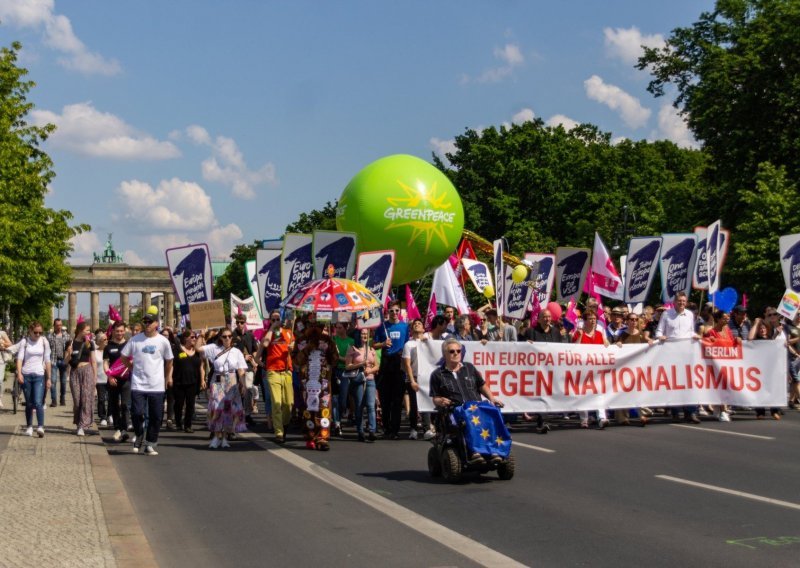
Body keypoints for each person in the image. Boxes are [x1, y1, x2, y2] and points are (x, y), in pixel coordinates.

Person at [429, 337, 506, 465]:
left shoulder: (469, 368)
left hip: (476, 407)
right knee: (468, 418)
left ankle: (494, 451)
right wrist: (440, 400)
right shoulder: (437, 374)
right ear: (445, 354)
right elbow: (435, 398)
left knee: (493, 414)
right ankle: (475, 451)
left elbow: (482, 386)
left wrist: (492, 398)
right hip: (455, 409)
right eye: (452, 351)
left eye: (458, 351)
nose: (456, 354)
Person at [120, 309, 174, 455]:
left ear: (156, 323)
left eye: (150, 322)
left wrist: (167, 378)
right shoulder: (135, 340)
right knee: (137, 413)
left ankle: (150, 443)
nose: (147, 324)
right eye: (145, 322)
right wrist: (132, 368)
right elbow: (124, 357)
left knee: (156, 417)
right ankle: (139, 434)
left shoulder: (163, 341)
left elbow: (169, 361)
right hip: (139, 384)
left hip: (156, 385)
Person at [656, 291, 702, 424]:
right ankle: (675, 412)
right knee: (675, 383)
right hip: (672, 353)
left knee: (689, 382)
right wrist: (660, 336)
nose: (682, 303)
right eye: (679, 301)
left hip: (687, 354)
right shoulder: (666, 314)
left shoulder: (689, 314)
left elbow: (690, 331)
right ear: (674, 302)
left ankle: (691, 412)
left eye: (684, 301)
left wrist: (695, 335)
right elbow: (659, 330)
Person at [200, 327, 248, 448]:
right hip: (217, 380)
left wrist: (245, 385)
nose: (227, 338)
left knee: (228, 410)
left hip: (231, 382)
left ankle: (225, 437)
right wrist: (201, 335)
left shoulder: (237, 352)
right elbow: (198, 349)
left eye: (229, 336)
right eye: (224, 336)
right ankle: (216, 436)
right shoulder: (213, 348)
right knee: (216, 408)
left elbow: (241, 370)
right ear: (220, 337)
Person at [524, 308, 568, 433]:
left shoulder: (556, 332)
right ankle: (542, 421)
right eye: (544, 317)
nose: (547, 319)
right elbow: (521, 346)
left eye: (548, 317)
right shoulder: (531, 332)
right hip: (537, 369)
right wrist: (527, 344)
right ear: (539, 319)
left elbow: (560, 349)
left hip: (552, 369)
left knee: (549, 394)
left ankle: (543, 419)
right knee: (541, 393)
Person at [295, 323, 338, 450]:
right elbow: (296, 361)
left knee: (324, 409)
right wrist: (309, 347)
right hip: (306, 384)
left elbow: (335, 360)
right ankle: (310, 436)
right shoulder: (301, 341)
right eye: (311, 325)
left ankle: (322, 438)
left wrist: (330, 349)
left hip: (323, 384)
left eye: (318, 326)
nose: (314, 329)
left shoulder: (327, 340)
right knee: (308, 411)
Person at [373, 301, 409, 439]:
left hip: (398, 363)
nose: (394, 313)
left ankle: (395, 430)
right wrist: (383, 343)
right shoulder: (382, 327)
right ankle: (386, 428)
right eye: (392, 311)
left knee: (397, 399)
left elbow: (408, 345)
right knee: (385, 398)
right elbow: (374, 345)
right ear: (387, 312)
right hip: (386, 363)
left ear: (400, 312)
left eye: (397, 310)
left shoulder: (405, 327)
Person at [257, 310, 294, 444]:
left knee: (289, 404)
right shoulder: (268, 333)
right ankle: (279, 432)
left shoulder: (289, 332)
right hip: (273, 372)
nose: (276, 321)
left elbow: (295, 349)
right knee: (276, 403)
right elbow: (265, 344)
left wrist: (292, 348)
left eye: (278, 319)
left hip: (286, 371)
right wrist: (272, 328)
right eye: (273, 319)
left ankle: (284, 426)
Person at [572, 309, 610, 429]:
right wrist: (580, 336)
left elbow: (607, 347)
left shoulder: (599, 334)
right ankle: (584, 418)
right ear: (584, 321)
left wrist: (612, 345)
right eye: (590, 319)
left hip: (597, 369)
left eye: (594, 318)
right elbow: (574, 349)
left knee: (599, 393)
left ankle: (602, 417)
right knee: (583, 393)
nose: (593, 321)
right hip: (582, 369)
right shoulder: (579, 333)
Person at [614, 312, 652, 426]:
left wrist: (650, 341)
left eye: (636, 319)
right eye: (631, 319)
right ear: (627, 321)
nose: (634, 321)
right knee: (623, 392)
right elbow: (615, 347)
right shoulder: (622, 334)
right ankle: (622, 417)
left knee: (639, 392)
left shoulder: (641, 335)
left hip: (638, 368)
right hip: (624, 368)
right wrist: (618, 343)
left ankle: (642, 415)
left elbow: (649, 347)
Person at [16, 321, 51, 437]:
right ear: (30, 331)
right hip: (26, 374)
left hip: (39, 374)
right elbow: (20, 359)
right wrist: (19, 373)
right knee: (29, 403)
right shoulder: (24, 342)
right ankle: (29, 426)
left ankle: (40, 426)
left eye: (40, 332)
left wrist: (49, 378)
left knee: (38, 402)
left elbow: (47, 360)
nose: (38, 335)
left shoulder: (44, 342)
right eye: (35, 332)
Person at [345, 328, 379, 442]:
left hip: (369, 379)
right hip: (358, 380)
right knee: (359, 406)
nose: (363, 336)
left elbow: (376, 366)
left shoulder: (371, 349)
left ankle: (372, 430)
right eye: (362, 334)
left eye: (365, 334)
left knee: (371, 405)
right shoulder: (352, 348)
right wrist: (360, 364)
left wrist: (370, 371)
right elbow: (347, 366)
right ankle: (360, 431)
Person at [749, 308, 784, 420]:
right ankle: (760, 412)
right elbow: (749, 338)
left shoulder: (771, 338)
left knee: (773, 388)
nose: (763, 330)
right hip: (758, 370)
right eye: (761, 328)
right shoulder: (756, 339)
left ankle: (774, 411)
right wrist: (757, 324)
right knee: (759, 390)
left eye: (764, 328)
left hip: (771, 368)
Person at [702, 310, 737, 422]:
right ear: (718, 319)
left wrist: (738, 340)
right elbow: (706, 344)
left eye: (728, 317)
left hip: (728, 363)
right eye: (724, 317)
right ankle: (722, 411)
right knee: (720, 387)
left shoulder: (728, 330)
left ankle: (718, 409)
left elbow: (732, 343)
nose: (727, 319)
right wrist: (710, 340)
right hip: (716, 364)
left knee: (726, 387)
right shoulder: (711, 332)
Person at [66, 322, 98, 436]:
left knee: (85, 399)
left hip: (87, 370)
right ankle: (78, 422)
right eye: (87, 330)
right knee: (77, 400)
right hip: (75, 372)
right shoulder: (70, 343)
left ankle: (82, 425)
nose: (89, 332)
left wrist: (95, 377)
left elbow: (93, 361)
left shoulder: (90, 343)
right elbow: (66, 362)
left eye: (89, 330)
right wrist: (69, 353)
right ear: (80, 330)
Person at [172, 330, 204, 433]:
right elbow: (172, 364)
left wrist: (203, 379)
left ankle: (188, 425)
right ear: (186, 338)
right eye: (192, 337)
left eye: (195, 337)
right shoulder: (177, 349)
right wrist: (169, 378)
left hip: (193, 381)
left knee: (191, 404)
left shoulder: (197, 352)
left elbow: (201, 367)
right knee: (179, 404)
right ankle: (178, 422)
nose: (194, 339)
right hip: (179, 381)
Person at [104, 321, 131, 442]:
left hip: (126, 379)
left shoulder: (129, 345)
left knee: (125, 405)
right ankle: (118, 428)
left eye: (121, 331)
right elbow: (105, 363)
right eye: (117, 331)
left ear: (124, 331)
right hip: (113, 379)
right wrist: (109, 376)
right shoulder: (108, 346)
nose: (119, 333)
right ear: (113, 331)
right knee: (114, 404)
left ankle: (124, 429)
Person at [232, 314, 259, 427]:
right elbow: (231, 352)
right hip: (236, 367)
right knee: (238, 391)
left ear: (245, 323)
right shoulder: (232, 336)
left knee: (247, 389)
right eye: (238, 322)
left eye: (242, 322)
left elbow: (254, 350)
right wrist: (243, 357)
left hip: (248, 367)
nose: (239, 324)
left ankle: (247, 414)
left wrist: (255, 361)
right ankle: (237, 414)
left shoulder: (249, 335)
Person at [331, 321, 355, 437]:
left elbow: (350, 358)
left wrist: (342, 358)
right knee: (335, 399)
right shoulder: (333, 340)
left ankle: (339, 417)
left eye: (340, 327)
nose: (337, 329)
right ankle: (337, 423)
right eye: (336, 327)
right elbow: (332, 355)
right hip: (335, 371)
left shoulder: (351, 341)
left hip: (346, 372)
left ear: (345, 328)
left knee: (343, 400)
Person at [46, 317, 71, 407]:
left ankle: (62, 398)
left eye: (60, 325)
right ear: (54, 326)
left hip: (64, 361)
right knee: (53, 381)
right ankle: (54, 400)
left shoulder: (67, 336)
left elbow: (69, 347)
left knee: (63, 381)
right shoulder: (49, 336)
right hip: (53, 360)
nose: (59, 327)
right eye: (57, 325)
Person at [94, 331, 109, 428]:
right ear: (99, 341)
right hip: (99, 379)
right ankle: (103, 417)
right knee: (101, 399)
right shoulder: (94, 352)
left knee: (112, 399)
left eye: (107, 339)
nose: (107, 341)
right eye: (104, 339)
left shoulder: (109, 350)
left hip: (110, 378)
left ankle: (110, 414)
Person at [0, 327, 12, 409]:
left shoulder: (2, 333)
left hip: (0, 360)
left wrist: (2, 344)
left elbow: (10, 344)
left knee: (0, 380)